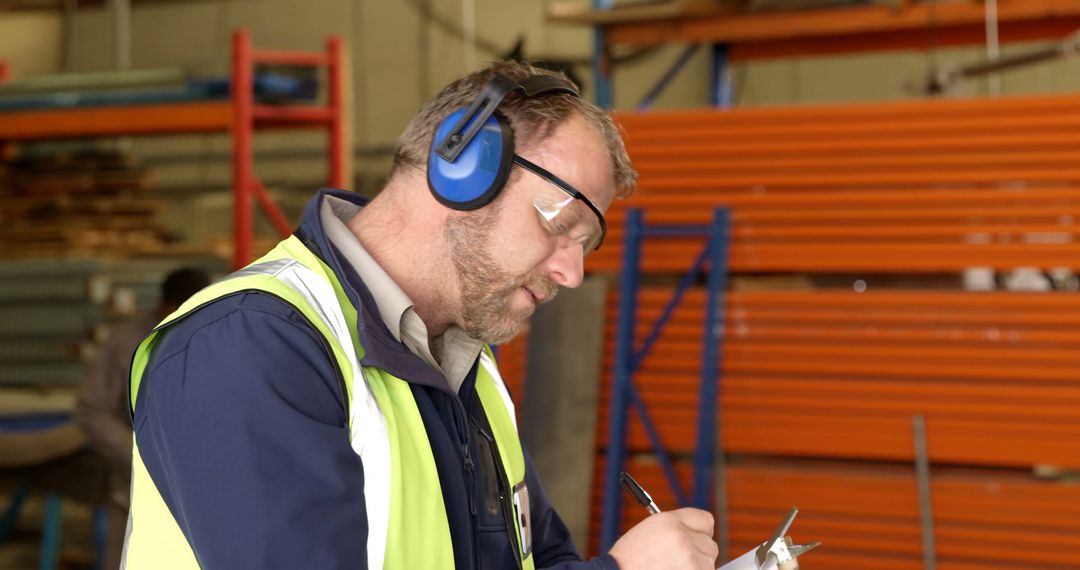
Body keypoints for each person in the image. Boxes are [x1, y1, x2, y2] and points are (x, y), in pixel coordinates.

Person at [122, 61, 718, 570]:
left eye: (586, 246)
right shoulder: (248, 347)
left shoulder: (469, 372)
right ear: (461, 168)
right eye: (561, 227)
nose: (572, 272)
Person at [74, 267, 210, 570]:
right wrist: (140, 455)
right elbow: (92, 411)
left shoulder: (218, 334)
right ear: (165, 306)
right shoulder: (125, 343)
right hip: (138, 489)